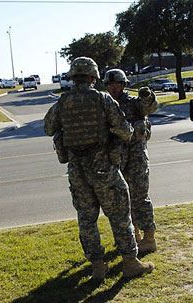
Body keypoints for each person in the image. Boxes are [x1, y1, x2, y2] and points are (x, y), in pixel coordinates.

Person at [44, 57, 154, 280]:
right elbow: (126, 132)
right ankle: (130, 263)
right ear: (93, 77)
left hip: (77, 172)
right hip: (104, 169)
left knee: (86, 219)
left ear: (73, 77)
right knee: (120, 216)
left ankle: (97, 266)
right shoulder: (103, 100)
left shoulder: (63, 102)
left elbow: (48, 128)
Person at [103, 69, 159, 253]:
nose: (114, 87)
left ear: (123, 85)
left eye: (117, 84)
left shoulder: (134, 103)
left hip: (136, 158)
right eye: (111, 84)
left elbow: (149, 108)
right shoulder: (106, 105)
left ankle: (149, 238)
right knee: (122, 201)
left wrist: (148, 96)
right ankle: (134, 236)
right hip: (117, 159)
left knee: (140, 197)